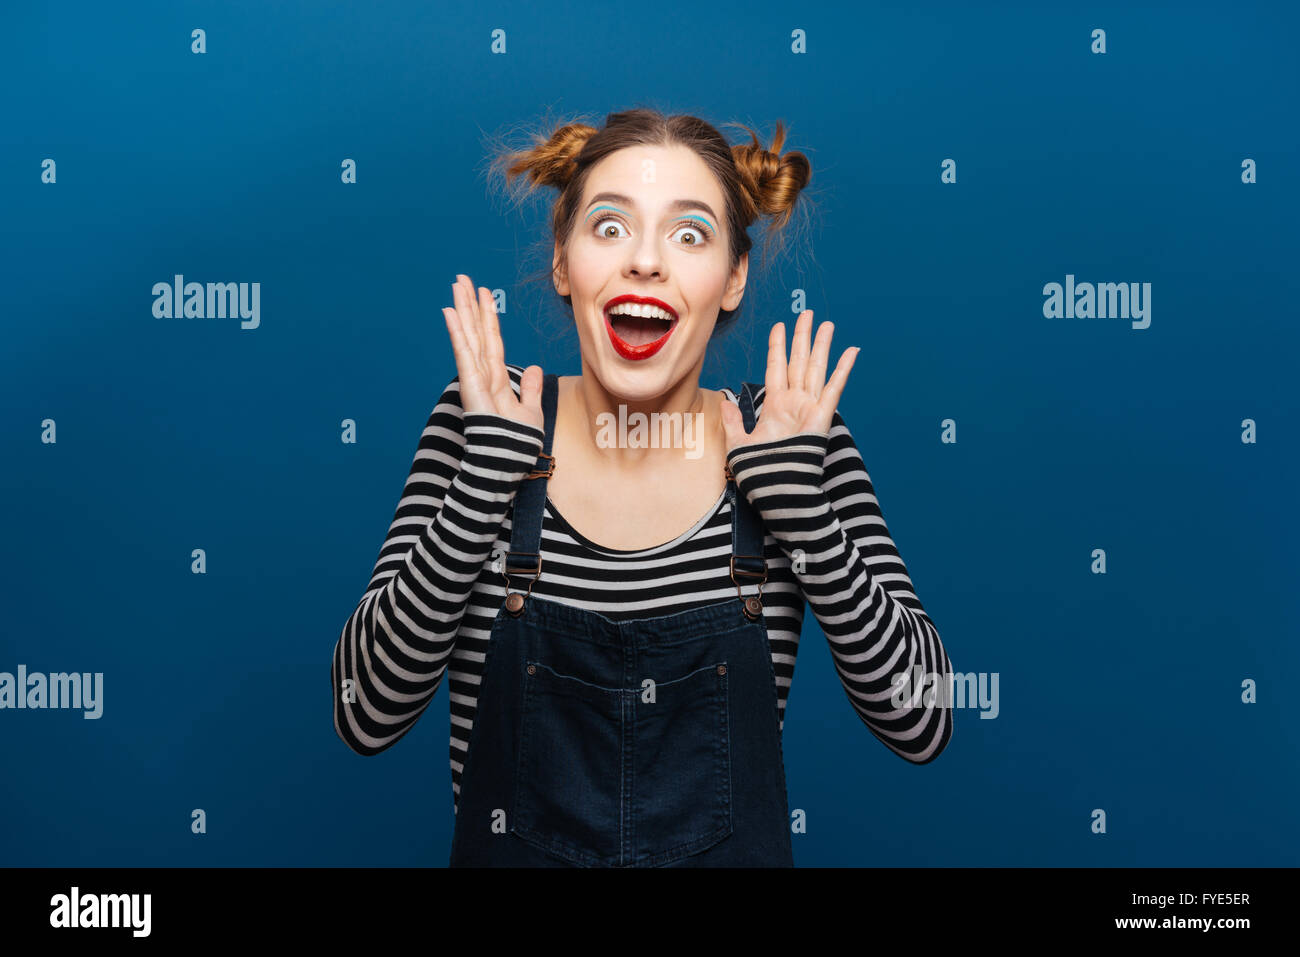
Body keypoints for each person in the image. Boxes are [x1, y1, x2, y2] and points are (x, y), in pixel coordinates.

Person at [331, 108, 954, 867]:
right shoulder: (481, 422)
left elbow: (924, 720)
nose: (647, 263)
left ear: (732, 278)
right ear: (564, 261)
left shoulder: (791, 437)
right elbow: (364, 713)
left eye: (689, 234)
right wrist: (479, 486)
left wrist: (810, 524)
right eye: (610, 226)